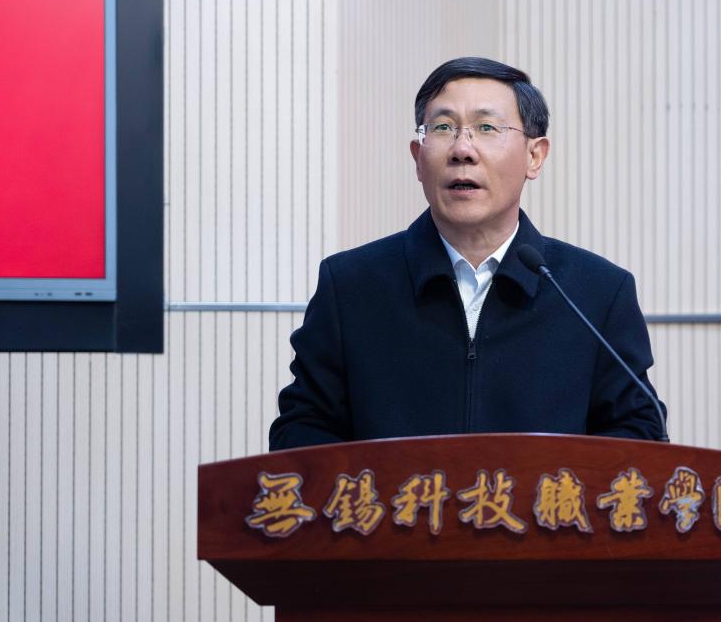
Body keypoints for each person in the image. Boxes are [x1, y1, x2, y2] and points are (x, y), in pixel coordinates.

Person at [269, 57, 666, 450]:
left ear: (535, 156)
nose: (462, 149)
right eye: (442, 127)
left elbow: (638, 433)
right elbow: (302, 432)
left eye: (487, 127)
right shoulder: (351, 286)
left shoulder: (596, 293)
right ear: (418, 158)